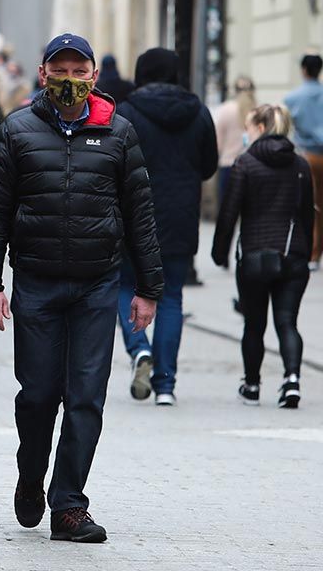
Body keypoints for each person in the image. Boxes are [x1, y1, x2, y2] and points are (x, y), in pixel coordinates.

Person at [0, 33, 163, 544]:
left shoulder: (119, 134)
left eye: (80, 71)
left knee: (86, 397)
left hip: (98, 285)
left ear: (94, 77)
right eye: (62, 70)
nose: (71, 80)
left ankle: (69, 505)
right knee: (37, 396)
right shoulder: (17, 131)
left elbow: (140, 215)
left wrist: (149, 288)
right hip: (35, 284)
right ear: (43, 74)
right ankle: (31, 476)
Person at [113, 48, 217, 405]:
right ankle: (165, 385)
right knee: (171, 296)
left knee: (125, 286)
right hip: (180, 218)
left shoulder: (126, 113)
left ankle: (139, 349)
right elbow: (209, 166)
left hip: (133, 217)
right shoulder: (198, 112)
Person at [213, 104, 314, 409]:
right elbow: (308, 214)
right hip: (292, 255)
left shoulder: (246, 163)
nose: (246, 133)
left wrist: (220, 251)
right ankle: (292, 380)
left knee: (254, 325)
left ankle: (252, 385)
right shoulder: (299, 164)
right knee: (287, 322)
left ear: (258, 128)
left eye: (248, 126)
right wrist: (304, 251)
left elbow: (229, 211)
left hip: (255, 256)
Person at [283, 53, 323, 268]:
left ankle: (312, 253)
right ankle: (317, 252)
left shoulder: (293, 97)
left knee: (309, 205)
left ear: (304, 70)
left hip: (307, 154)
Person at [215, 76, 257, 203]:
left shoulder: (225, 109)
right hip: (254, 167)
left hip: (229, 164)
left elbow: (218, 142)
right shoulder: (257, 111)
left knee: (226, 211)